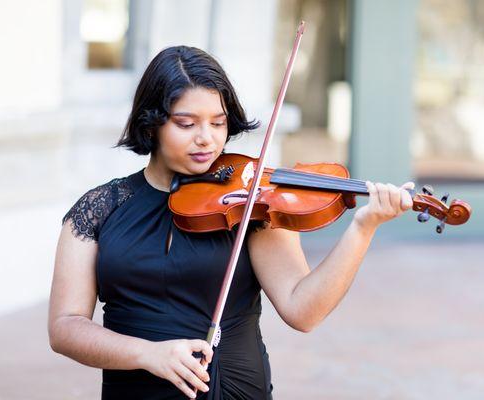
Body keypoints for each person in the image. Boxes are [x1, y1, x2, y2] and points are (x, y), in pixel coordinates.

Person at [48, 45, 415, 400]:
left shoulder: (249, 202)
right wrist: (148, 354)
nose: (206, 138)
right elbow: (65, 327)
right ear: (152, 124)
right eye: (186, 123)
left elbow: (303, 311)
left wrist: (363, 228)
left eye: (218, 123)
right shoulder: (99, 209)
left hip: (236, 389)